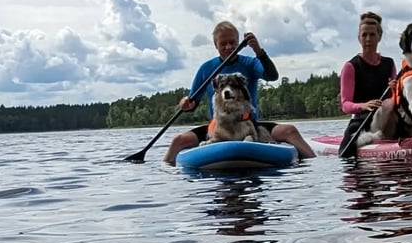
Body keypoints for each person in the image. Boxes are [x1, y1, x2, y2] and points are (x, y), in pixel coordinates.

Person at [163, 21, 314, 164]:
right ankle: (166, 176)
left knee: (289, 130)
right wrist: (186, 103)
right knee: (178, 140)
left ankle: (314, 164)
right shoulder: (206, 69)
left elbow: (272, 76)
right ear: (216, 45)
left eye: (232, 43)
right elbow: (192, 102)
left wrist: (259, 51)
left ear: (238, 42)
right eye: (223, 43)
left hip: (249, 124)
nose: (229, 47)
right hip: (219, 127)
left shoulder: (250, 63)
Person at [338, 11, 397, 155]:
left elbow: (397, 97)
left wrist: (396, 89)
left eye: (372, 35)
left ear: (379, 37)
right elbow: (345, 105)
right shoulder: (351, 66)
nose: (368, 39)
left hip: (388, 116)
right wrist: (363, 105)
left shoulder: (389, 64)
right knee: (344, 154)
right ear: (359, 38)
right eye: (364, 35)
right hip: (363, 120)